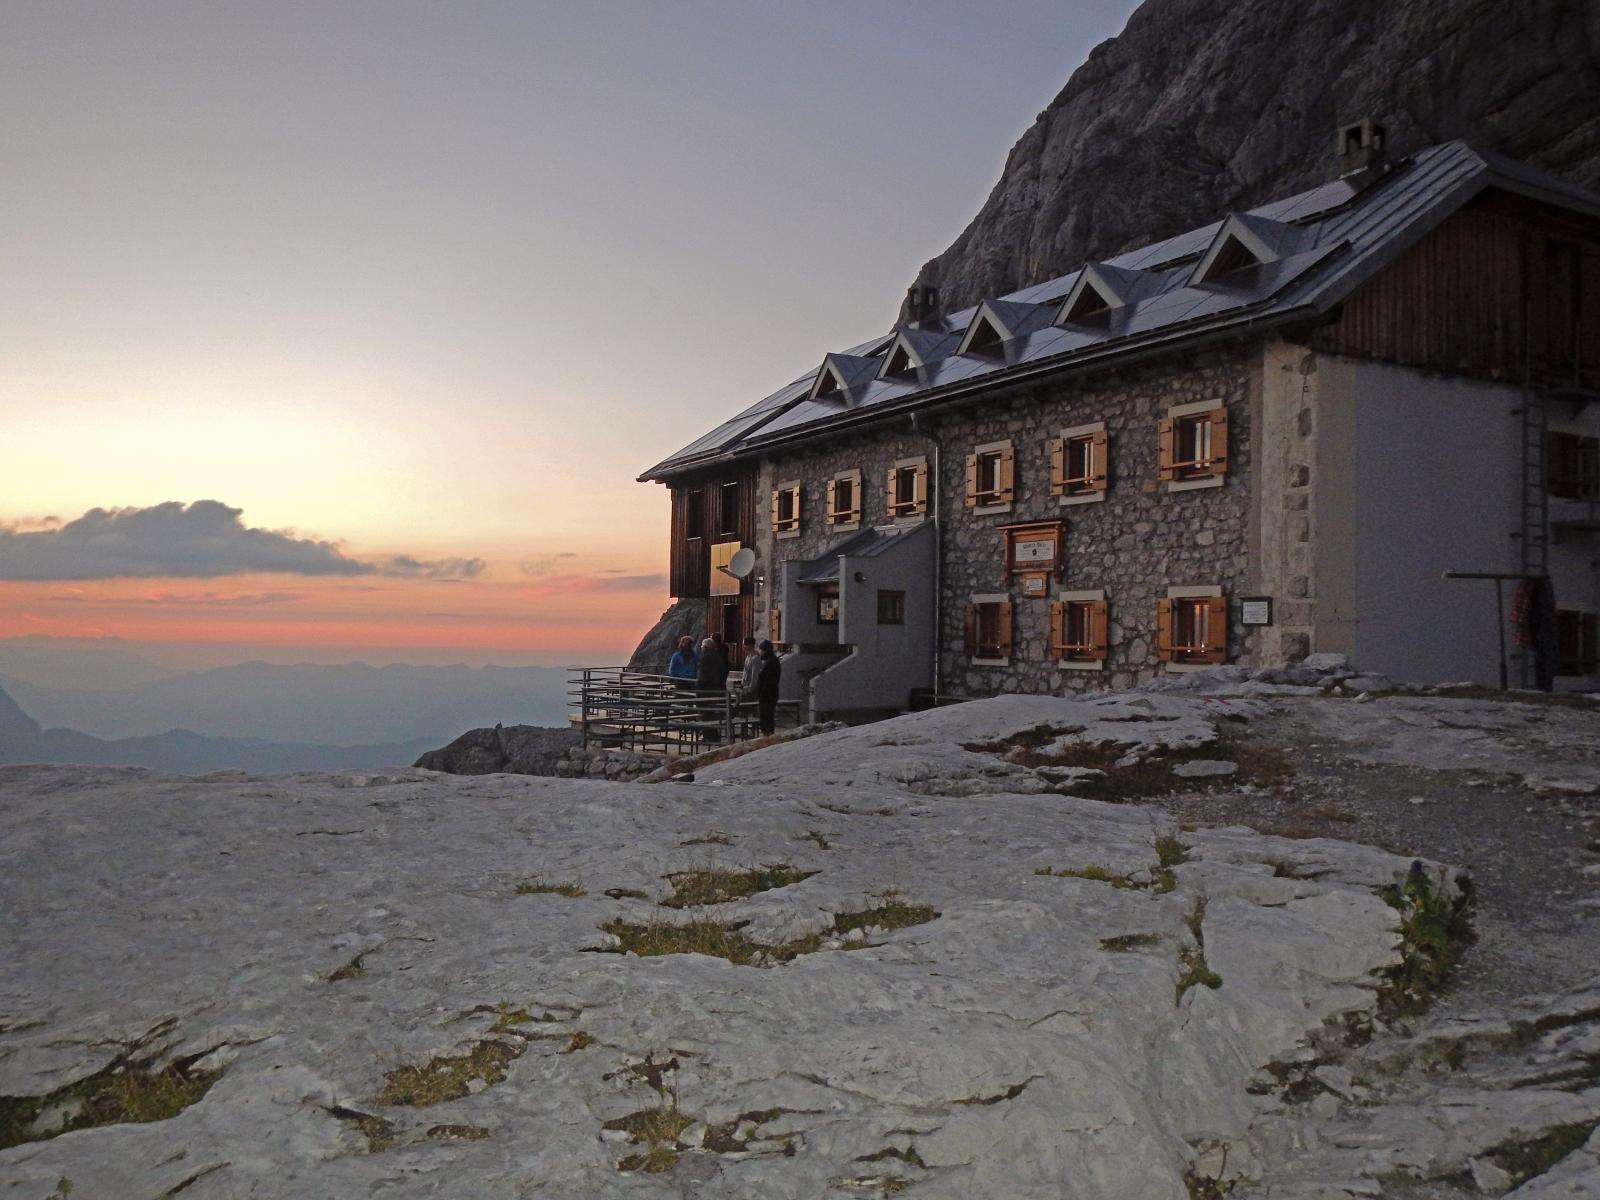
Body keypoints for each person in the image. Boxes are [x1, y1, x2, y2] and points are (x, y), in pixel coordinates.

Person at [755, 639, 781, 736]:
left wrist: (762, 692)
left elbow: (769, 682)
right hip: (768, 695)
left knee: (766, 718)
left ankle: (768, 737)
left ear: (765, 650)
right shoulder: (770, 661)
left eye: (760, 650)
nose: (759, 652)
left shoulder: (771, 663)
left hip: (767, 696)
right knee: (766, 718)